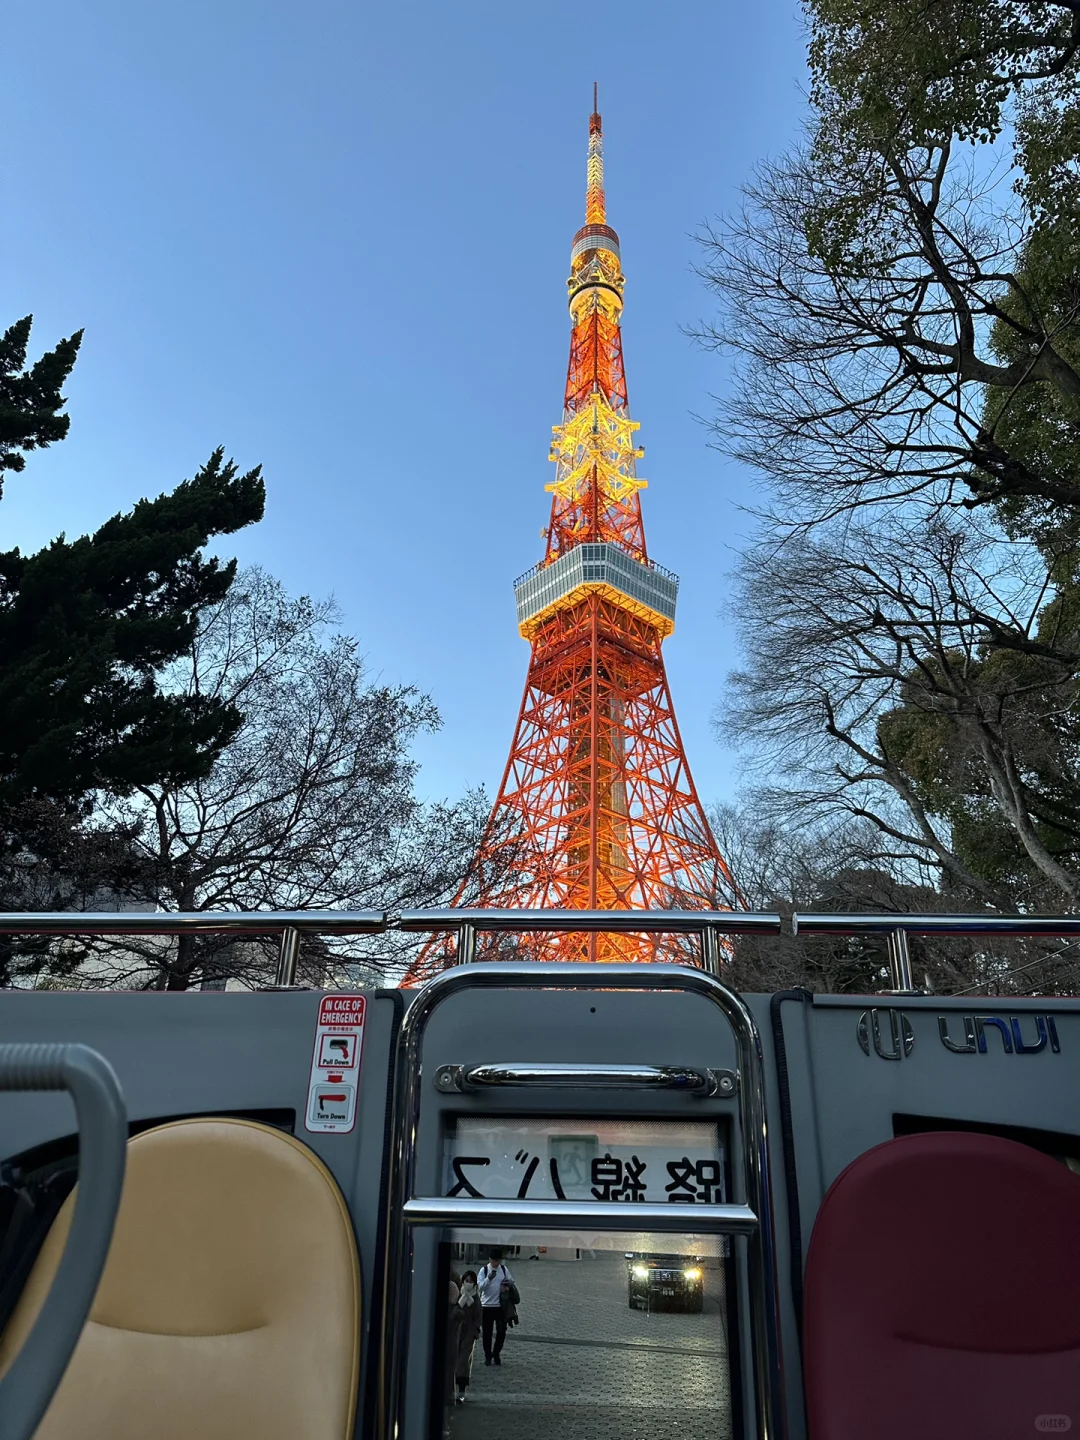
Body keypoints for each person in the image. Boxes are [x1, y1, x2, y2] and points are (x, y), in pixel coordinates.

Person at [477, 1249, 515, 1366]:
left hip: (500, 1306)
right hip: (486, 1306)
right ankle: (488, 1356)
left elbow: (511, 1281)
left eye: (498, 1261)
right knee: (487, 1333)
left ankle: (496, 1353)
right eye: (494, 1261)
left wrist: (506, 1285)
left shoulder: (503, 1269)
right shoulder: (484, 1270)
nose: (496, 1263)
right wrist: (489, 1279)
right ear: (490, 1259)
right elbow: (480, 1287)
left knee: (501, 1331)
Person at [454, 1270, 483, 1403]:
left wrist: (475, 1330)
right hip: (456, 1332)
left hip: (469, 1332)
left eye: (471, 1281)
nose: (468, 1284)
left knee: (464, 1361)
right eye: (466, 1281)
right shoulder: (457, 1295)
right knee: (454, 1359)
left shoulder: (475, 1299)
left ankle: (461, 1390)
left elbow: (478, 1317)